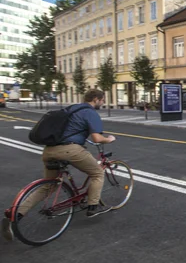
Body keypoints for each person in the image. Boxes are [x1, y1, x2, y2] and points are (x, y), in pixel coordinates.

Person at [2, 90, 116, 241]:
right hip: (70, 149)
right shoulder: (90, 112)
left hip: (49, 150)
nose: (103, 103)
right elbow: (96, 137)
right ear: (96, 99)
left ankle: (15, 215)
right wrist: (108, 139)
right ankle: (93, 207)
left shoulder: (71, 109)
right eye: (102, 100)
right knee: (97, 173)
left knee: (48, 186)